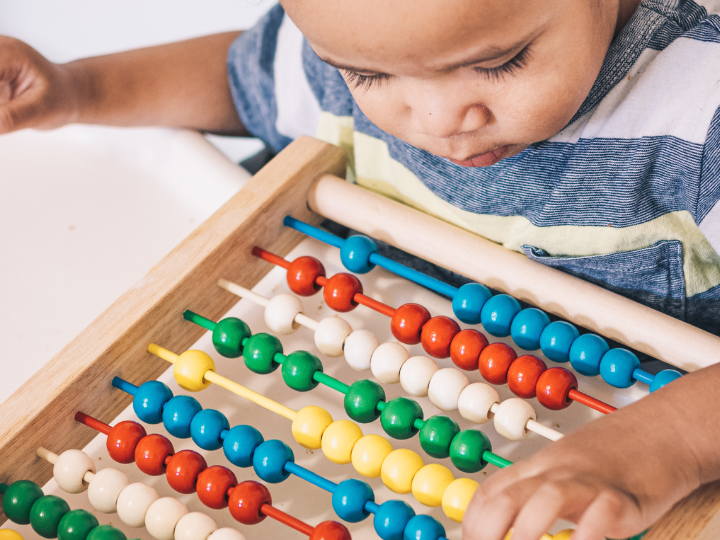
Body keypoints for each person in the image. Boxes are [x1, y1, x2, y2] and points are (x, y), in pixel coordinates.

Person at [1, 0, 720, 538]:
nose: (438, 118)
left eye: (499, 62)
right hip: (398, 405)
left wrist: (670, 445)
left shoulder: (700, 110)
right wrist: (77, 92)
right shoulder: (345, 36)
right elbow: (239, 80)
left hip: (636, 452)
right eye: (369, 76)